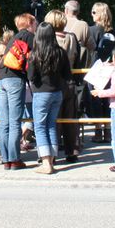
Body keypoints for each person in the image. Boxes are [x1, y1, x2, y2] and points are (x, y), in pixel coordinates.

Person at [29, 21, 72, 174]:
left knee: (40, 127)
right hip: (57, 92)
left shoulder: (36, 54)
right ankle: (52, 161)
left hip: (41, 92)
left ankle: (46, 163)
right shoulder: (60, 52)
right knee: (52, 125)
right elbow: (68, 74)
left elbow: (31, 76)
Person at [0, 14, 35, 169]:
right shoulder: (30, 37)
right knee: (14, 121)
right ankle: (15, 159)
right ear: (30, 23)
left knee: (4, 121)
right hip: (15, 79)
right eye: (35, 23)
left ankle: (6, 159)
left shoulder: (13, 39)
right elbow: (32, 60)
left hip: (1, 78)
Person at [45, 9, 83, 162]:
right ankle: (72, 151)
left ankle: (51, 153)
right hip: (70, 80)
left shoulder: (48, 39)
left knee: (53, 119)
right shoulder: (72, 38)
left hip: (54, 82)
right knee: (70, 118)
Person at [87, 3, 115, 144]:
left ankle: (98, 131)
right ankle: (108, 131)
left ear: (99, 14)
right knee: (108, 99)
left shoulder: (92, 30)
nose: (91, 14)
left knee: (96, 99)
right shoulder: (113, 31)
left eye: (93, 12)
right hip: (110, 68)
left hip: (96, 68)